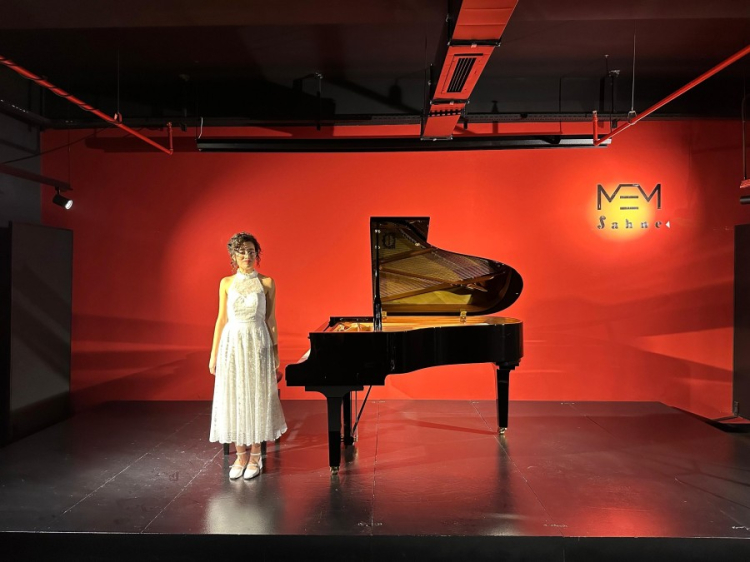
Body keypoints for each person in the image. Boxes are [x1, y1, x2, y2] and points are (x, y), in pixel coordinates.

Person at [209, 232, 287, 480]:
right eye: (242, 252)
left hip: (257, 342)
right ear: (233, 255)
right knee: (235, 395)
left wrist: (276, 354)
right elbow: (221, 319)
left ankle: (255, 455)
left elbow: (271, 320)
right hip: (232, 343)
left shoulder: (267, 283)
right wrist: (213, 355)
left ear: (257, 254)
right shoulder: (226, 283)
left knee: (257, 396)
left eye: (251, 252)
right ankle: (240, 455)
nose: (247, 256)